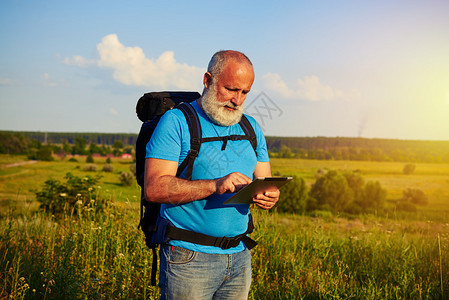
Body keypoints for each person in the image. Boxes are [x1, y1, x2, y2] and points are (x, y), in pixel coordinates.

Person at [144, 50, 280, 299]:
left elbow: (265, 183)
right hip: (188, 259)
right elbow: (154, 189)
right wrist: (214, 185)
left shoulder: (251, 127)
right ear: (207, 80)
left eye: (245, 92)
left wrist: (269, 197)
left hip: (239, 256)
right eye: (230, 89)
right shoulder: (176, 122)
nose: (237, 100)